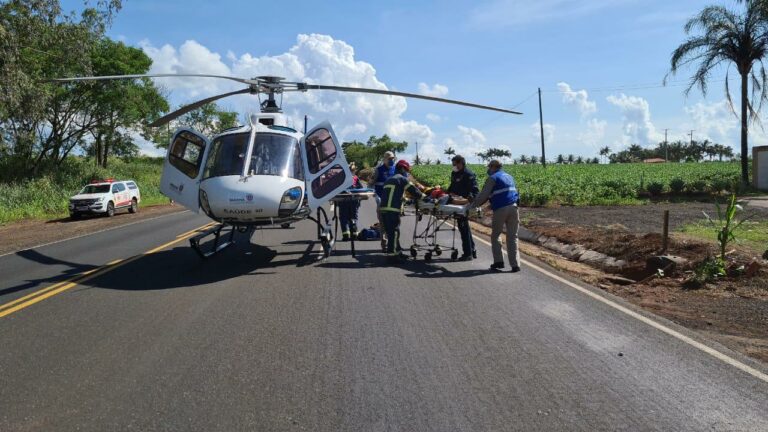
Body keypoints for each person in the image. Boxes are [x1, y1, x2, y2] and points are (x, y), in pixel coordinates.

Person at [471, 159, 521, 272]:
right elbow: (506, 193)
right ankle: (515, 265)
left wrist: (472, 206)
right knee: (513, 237)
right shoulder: (509, 176)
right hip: (514, 208)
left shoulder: (493, 178)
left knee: (496, 235)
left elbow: (483, 195)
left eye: (489, 167)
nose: (488, 169)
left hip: (501, 209)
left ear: (494, 167)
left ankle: (499, 261)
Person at [380, 160, 424, 263]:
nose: (407, 173)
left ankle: (398, 252)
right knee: (394, 232)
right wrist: (425, 198)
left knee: (391, 232)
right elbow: (413, 190)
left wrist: (407, 201)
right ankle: (392, 256)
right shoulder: (401, 179)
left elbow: (394, 194)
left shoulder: (389, 179)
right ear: (403, 169)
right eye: (407, 171)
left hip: (384, 209)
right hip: (392, 210)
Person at [447, 154, 479, 261]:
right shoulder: (454, 173)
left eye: (455, 164)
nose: (454, 166)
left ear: (461, 163)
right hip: (456, 202)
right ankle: (472, 250)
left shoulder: (469, 174)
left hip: (464, 203)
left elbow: (474, 190)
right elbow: (452, 186)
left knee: (463, 227)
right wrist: (448, 193)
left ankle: (467, 254)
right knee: (464, 227)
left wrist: (468, 199)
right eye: (453, 164)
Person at [372, 151, 396, 249]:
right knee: (382, 222)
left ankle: (392, 243)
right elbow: (371, 184)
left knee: (393, 223)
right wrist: (375, 196)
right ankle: (384, 241)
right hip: (381, 200)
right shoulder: (378, 170)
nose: (391, 160)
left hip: (393, 201)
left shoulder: (395, 170)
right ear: (384, 159)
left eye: (393, 158)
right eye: (389, 158)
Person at [339, 163, 361, 241]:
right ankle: (354, 234)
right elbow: (360, 189)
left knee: (344, 217)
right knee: (354, 217)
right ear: (353, 170)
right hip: (354, 201)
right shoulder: (355, 178)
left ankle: (346, 235)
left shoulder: (342, 178)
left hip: (343, 201)